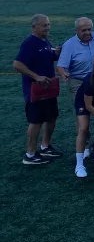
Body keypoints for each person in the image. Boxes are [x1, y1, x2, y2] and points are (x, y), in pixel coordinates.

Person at [13, 14, 62, 165]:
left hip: (49, 89)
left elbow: (47, 55)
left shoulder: (44, 41)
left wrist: (56, 52)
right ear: (34, 27)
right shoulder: (29, 43)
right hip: (35, 90)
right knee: (36, 121)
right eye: (43, 25)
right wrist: (36, 76)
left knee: (51, 117)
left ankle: (45, 146)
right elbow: (17, 64)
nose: (47, 27)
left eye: (48, 24)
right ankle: (30, 154)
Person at [57, 17, 94, 97]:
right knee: (82, 107)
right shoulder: (69, 45)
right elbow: (61, 66)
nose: (87, 32)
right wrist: (64, 74)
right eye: (83, 30)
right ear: (76, 31)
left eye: (89, 29)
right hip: (79, 82)